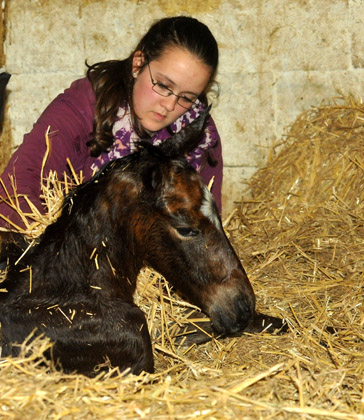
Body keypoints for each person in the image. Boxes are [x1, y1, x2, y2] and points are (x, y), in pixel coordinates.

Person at [0, 16, 222, 231]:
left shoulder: (200, 136)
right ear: (138, 64)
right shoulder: (83, 108)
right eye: (163, 85)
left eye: (187, 97)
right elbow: (17, 189)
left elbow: (208, 230)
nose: (171, 105)